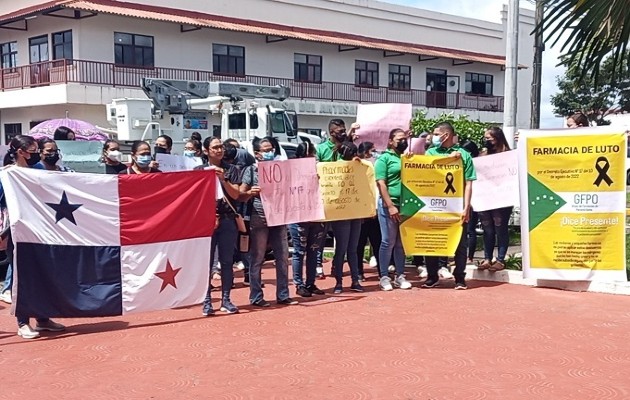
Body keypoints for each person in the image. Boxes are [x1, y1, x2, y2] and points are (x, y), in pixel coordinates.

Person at [0, 135, 65, 339]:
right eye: (33, 149)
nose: (36, 153)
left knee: (43, 273)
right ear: (20, 152)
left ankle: (43, 319)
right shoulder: (6, 175)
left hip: (41, 230)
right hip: (17, 231)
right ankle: (23, 322)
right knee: (23, 275)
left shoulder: (38, 170)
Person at [240, 138, 297, 307]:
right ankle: (256, 297)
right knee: (257, 258)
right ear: (257, 154)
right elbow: (241, 194)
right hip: (260, 217)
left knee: (282, 257)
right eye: (265, 150)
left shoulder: (282, 168)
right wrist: (251, 192)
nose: (269, 152)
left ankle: (283, 295)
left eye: (271, 149)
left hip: (279, 217)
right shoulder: (251, 170)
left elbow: (295, 186)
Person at [422, 122, 476, 290]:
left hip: (456, 205)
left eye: (436, 133)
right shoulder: (430, 153)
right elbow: (421, 173)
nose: (434, 136)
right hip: (434, 205)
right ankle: (432, 276)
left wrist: (466, 207)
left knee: (460, 243)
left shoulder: (464, 155)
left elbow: (468, 183)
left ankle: (460, 277)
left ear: (446, 135)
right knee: (431, 242)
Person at [197, 136, 243, 315]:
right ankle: (206, 301)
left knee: (226, 261)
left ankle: (226, 299)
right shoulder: (199, 170)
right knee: (206, 263)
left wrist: (223, 180)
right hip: (206, 222)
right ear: (206, 150)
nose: (219, 150)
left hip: (227, 220)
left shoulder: (232, 170)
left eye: (221, 147)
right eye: (215, 147)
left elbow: (237, 194)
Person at [375, 129, 412, 291]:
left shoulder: (406, 158)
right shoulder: (384, 159)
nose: (403, 142)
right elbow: (381, 183)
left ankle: (400, 275)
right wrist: (390, 205)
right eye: (399, 139)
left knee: (400, 243)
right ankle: (384, 276)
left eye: (405, 139)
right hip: (388, 206)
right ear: (390, 141)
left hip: (406, 205)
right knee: (387, 241)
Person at [288, 141, 326, 297]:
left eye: (313, 154)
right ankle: (299, 284)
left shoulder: (319, 169)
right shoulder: (291, 170)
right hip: (298, 217)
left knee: (313, 250)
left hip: (315, 216)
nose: (312, 157)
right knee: (299, 252)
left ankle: (310, 283)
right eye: (308, 154)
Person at [477, 127, 512, 272]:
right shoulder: (483, 154)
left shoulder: (508, 155)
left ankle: (501, 259)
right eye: (485, 138)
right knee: (487, 228)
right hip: (486, 197)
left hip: (502, 197)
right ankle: (487, 258)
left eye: (489, 139)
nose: (486, 141)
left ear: (497, 139)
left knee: (500, 227)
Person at [356, 141, 381, 279]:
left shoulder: (376, 167)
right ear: (366, 153)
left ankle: (381, 271)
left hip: (374, 212)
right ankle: (359, 272)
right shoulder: (356, 167)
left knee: (377, 243)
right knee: (359, 244)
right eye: (373, 151)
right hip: (360, 214)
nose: (375, 153)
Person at [459, 139, 481, 265]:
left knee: (471, 229)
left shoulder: (475, 163)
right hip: (463, 199)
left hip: (476, 199)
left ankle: (470, 257)